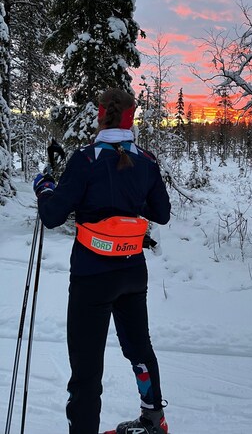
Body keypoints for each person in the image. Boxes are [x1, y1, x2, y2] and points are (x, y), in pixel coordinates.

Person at [33, 88, 171, 434]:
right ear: (131, 117)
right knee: (140, 349)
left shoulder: (85, 159)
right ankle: (153, 420)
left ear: (100, 115)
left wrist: (44, 187)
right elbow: (162, 214)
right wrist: (130, 202)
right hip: (132, 272)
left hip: (91, 276)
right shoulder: (147, 161)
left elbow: (52, 215)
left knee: (86, 370)